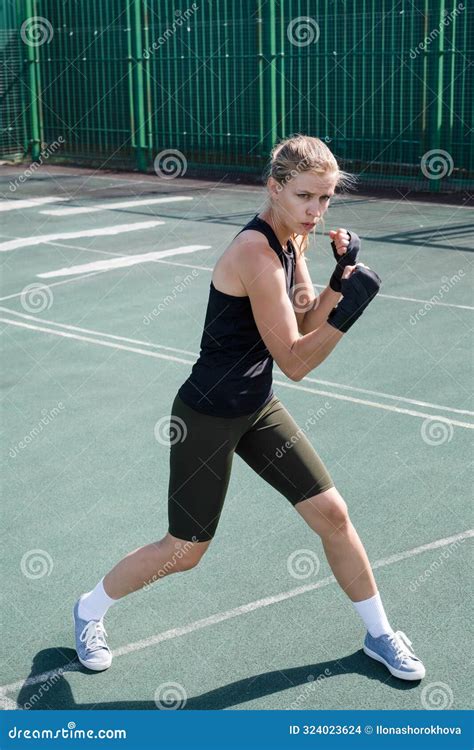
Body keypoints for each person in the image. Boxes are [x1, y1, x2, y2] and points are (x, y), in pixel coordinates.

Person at [73, 134, 425, 682]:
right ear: (275, 187)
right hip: (207, 415)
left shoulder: (293, 242)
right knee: (186, 550)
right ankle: (89, 610)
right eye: (306, 196)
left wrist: (339, 283)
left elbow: (304, 319)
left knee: (333, 515)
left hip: (257, 408)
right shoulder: (254, 253)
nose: (316, 211)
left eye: (327, 199)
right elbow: (295, 360)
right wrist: (348, 313)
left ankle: (380, 634)